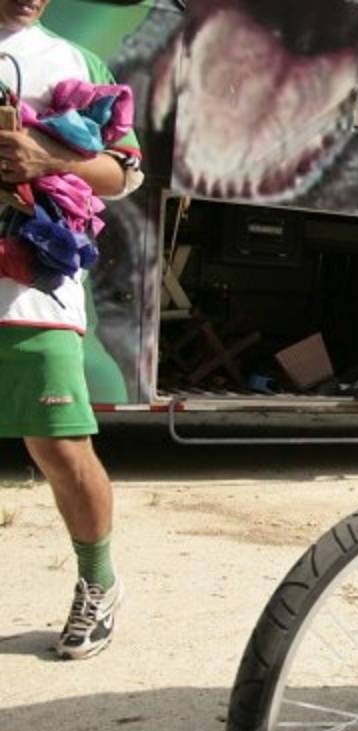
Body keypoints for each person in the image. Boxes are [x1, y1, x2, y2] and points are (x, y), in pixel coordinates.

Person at [0, 0, 143, 659]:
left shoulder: (75, 61)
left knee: (59, 446)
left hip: (34, 287)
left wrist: (43, 159)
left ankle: (98, 581)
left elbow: (124, 173)